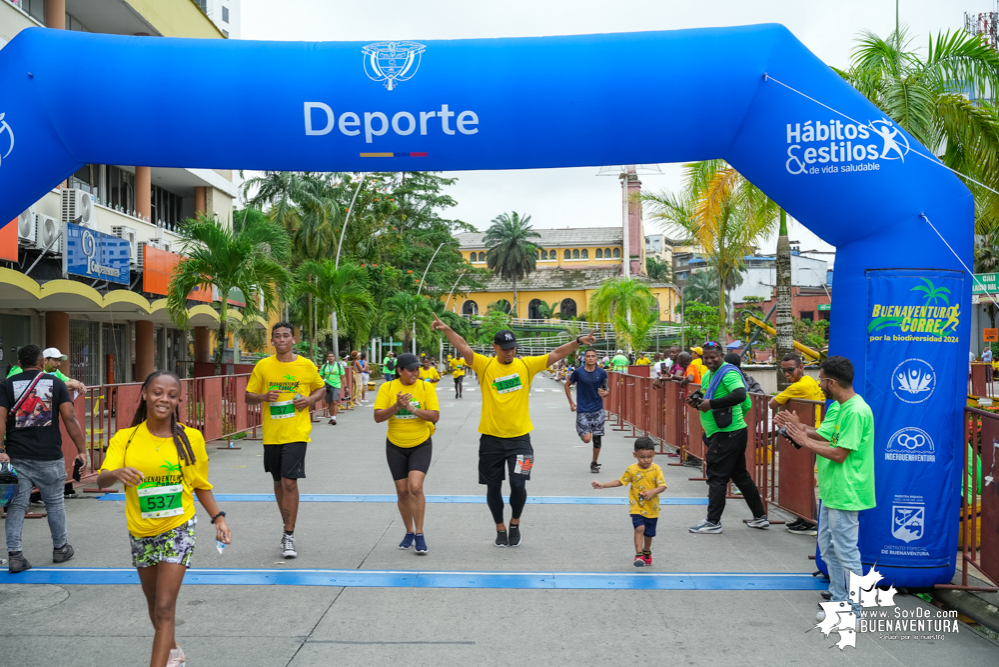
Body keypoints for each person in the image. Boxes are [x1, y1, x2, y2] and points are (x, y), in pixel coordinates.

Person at [97, 371, 231, 667]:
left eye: (172, 395)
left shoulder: (190, 438)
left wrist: (218, 518)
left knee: (165, 605)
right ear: (144, 394)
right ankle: (172, 650)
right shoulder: (126, 438)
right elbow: (103, 479)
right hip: (141, 530)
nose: (164, 399)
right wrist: (117, 473)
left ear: (178, 400)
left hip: (178, 527)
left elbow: (199, 484)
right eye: (158, 392)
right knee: (154, 604)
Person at [432, 315, 597, 547]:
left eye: (512, 348)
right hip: (490, 439)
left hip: (520, 439)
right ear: (495, 348)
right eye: (505, 349)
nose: (509, 353)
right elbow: (463, 345)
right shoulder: (484, 364)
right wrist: (448, 329)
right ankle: (499, 527)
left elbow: (556, 354)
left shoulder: (526, 365)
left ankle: (515, 522)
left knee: (519, 484)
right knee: (493, 487)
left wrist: (577, 342)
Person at [777, 356, 875, 617]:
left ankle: (856, 610)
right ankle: (840, 601)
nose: (818, 384)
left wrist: (804, 441)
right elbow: (823, 434)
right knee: (829, 548)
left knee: (846, 551)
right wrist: (798, 428)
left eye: (820, 379)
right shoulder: (838, 407)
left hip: (848, 491)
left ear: (831, 382)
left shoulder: (855, 411)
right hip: (832, 490)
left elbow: (840, 453)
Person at [0, 344, 87, 573]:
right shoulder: (55, 383)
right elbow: (70, 418)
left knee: (16, 506)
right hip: (49, 456)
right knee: (55, 503)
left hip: (17, 456)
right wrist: (82, 449)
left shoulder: (7, 385)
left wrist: (1, 450)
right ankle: (60, 548)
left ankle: (15, 556)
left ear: (19, 364)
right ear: (41, 362)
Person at [244, 322, 325, 559]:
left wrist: (310, 400)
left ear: (293, 340)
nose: (281, 340)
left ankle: (289, 535)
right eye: (277, 336)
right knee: (279, 483)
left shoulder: (306, 365)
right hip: (272, 434)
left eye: (286, 336)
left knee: (290, 482)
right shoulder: (263, 366)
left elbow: (321, 388)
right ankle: (286, 526)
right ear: (272, 341)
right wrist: (262, 396)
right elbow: (248, 397)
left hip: (297, 433)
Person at [688, 341, 769, 534]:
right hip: (726, 433)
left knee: (717, 477)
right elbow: (712, 398)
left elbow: (741, 395)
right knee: (740, 476)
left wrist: (714, 405)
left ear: (721, 355)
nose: (709, 360)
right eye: (705, 357)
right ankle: (760, 517)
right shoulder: (709, 375)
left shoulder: (729, 373)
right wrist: (698, 402)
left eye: (713, 357)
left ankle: (713, 522)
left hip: (728, 434)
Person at [373, 352, 439, 555]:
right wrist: (396, 406)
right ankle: (409, 531)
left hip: (420, 443)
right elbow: (377, 417)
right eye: (410, 369)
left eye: (417, 368)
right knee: (402, 492)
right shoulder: (388, 387)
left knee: (415, 487)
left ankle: (420, 533)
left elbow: (435, 416)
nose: (415, 372)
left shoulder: (425, 387)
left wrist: (412, 409)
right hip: (395, 445)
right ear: (399, 371)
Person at [768, 352, 825, 536]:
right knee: (804, 477)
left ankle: (810, 521)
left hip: (808, 433)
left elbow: (772, 403)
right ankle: (805, 518)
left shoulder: (799, 387)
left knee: (805, 478)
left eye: (790, 370)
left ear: (801, 367)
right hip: (813, 430)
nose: (787, 374)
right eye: (783, 371)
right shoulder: (809, 382)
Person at [591, 437, 666, 567]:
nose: (646, 460)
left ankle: (646, 551)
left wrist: (653, 491)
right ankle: (638, 555)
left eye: (649, 456)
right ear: (635, 455)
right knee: (639, 528)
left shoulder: (656, 469)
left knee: (649, 534)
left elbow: (663, 486)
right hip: (636, 506)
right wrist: (603, 485)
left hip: (652, 508)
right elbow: (621, 481)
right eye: (642, 457)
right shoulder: (632, 469)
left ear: (654, 454)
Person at [565, 348, 610, 473]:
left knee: (597, 438)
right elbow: (567, 385)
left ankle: (594, 463)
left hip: (598, 410)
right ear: (585, 358)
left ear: (596, 358)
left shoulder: (602, 373)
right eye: (588, 356)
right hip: (583, 410)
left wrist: (605, 393)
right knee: (586, 439)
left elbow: (606, 390)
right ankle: (581, 429)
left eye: (593, 356)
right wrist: (571, 403)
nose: (590, 358)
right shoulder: (578, 373)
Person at [319, 351, 345, 426]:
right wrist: (320, 385)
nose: (330, 358)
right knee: (329, 403)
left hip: (336, 385)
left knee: (334, 401)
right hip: (327, 385)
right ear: (327, 358)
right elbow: (320, 376)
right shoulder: (324, 366)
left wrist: (346, 386)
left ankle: (334, 418)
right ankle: (332, 417)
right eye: (329, 356)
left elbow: (343, 377)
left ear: (334, 357)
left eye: (332, 356)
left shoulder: (339, 366)